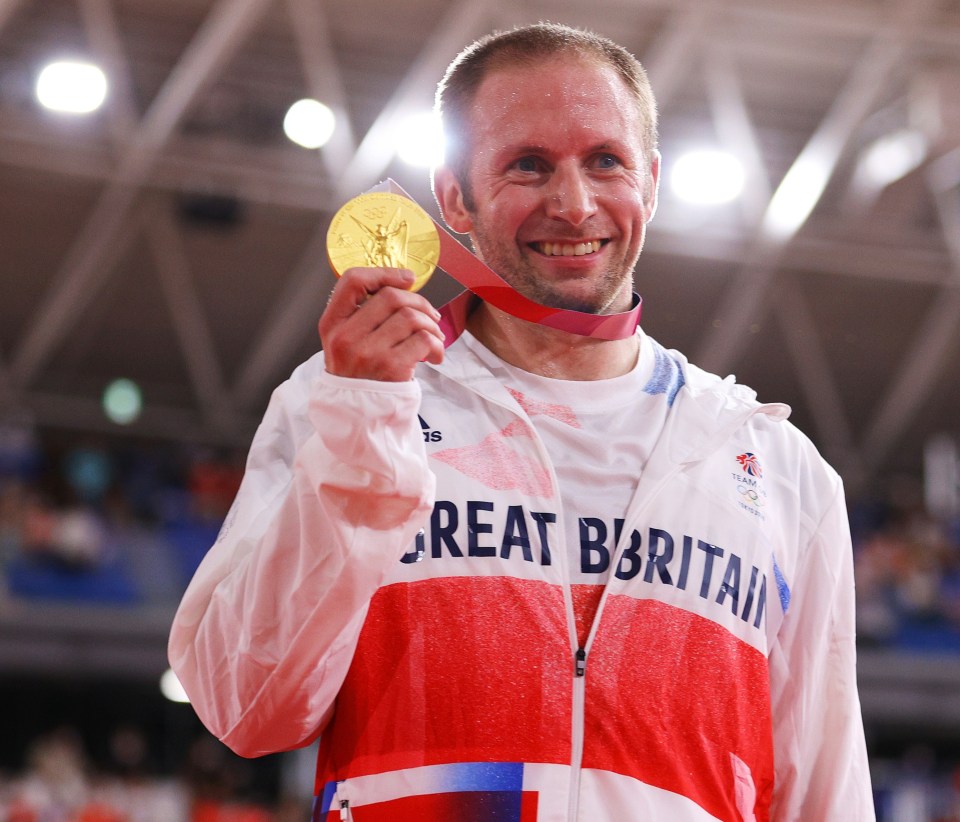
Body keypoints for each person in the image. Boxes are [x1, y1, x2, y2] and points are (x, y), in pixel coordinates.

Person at [168, 22, 875, 821]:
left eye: (605, 161)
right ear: (453, 198)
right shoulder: (344, 399)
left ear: (650, 181)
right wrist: (360, 428)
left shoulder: (776, 466)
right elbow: (246, 707)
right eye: (527, 166)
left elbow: (825, 792)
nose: (573, 206)